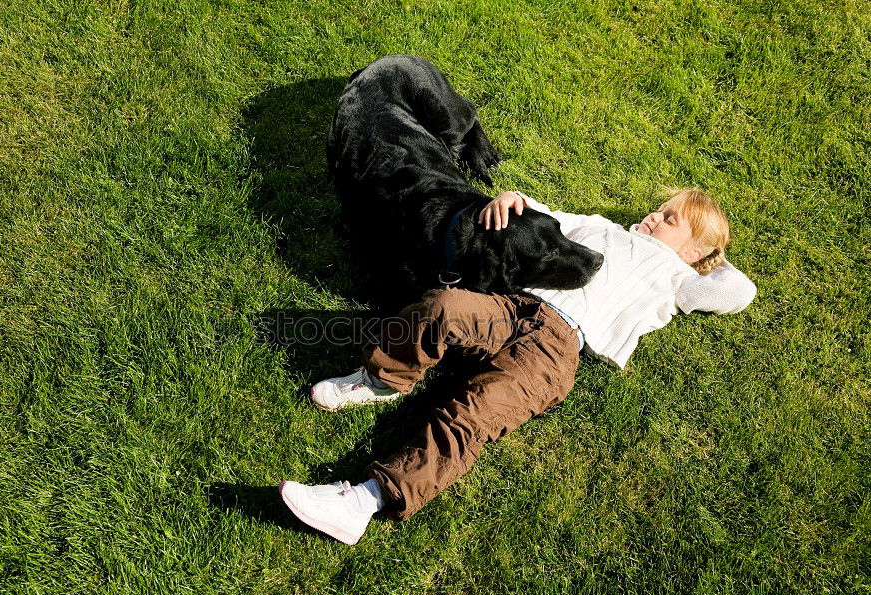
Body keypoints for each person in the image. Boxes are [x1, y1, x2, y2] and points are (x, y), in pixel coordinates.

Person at [279, 187, 757, 545]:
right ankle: (383, 379)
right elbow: (542, 218)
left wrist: (703, 255)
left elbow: (738, 292)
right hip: (510, 308)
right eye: (661, 208)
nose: (655, 216)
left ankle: (363, 501)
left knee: (473, 415)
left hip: (556, 350)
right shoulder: (601, 227)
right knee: (443, 306)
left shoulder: (675, 278)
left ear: (692, 252)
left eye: (671, 218)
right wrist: (513, 199)